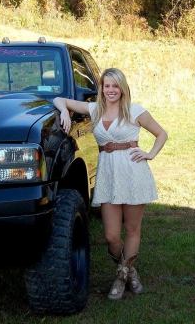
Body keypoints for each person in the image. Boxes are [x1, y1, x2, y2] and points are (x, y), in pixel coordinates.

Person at [53, 68, 168, 300]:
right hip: (108, 176)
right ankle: (130, 270)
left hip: (133, 172)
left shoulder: (135, 111)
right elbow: (58, 99)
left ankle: (122, 276)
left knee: (133, 229)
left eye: (115, 86)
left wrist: (150, 154)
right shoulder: (95, 109)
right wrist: (64, 111)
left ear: (122, 88)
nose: (111, 90)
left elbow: (161, 134)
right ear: (102, 89)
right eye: (107, 86)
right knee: (111, 236)